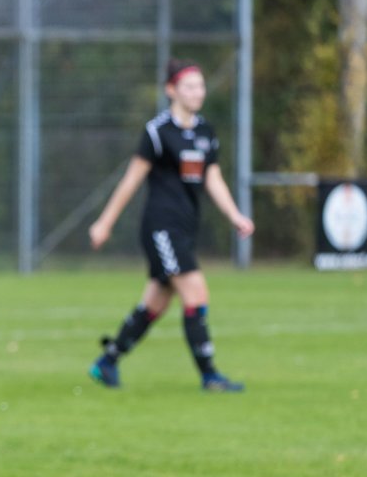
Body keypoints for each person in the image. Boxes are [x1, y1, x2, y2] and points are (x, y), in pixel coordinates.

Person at [88, 58, 254, 392]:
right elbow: (131, 180)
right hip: (161, 227)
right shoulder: (158, 132)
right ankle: (210, 376)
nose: (198, 92)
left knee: (156, 303)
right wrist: (104, 222)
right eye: (190, 86)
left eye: (201, 85)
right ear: (171, 91)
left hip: (186, 227)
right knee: (196, 292)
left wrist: (235, 215)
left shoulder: (206, 132)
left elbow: (213, 178)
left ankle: (107, 361)